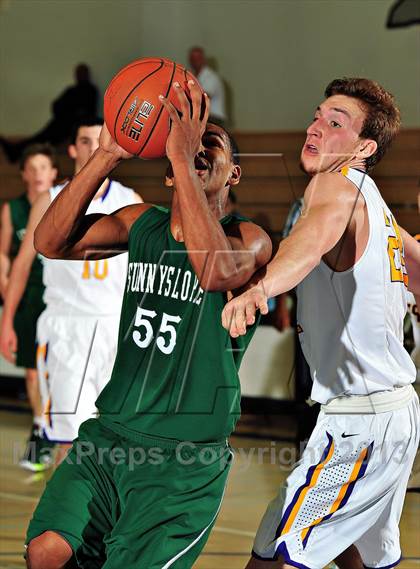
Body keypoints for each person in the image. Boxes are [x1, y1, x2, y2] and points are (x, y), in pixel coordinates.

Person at [24, 81, 271, 568]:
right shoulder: (141, 223)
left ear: (234, 174)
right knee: (46, 551)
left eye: (209, 144)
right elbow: (49, 243)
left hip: (183, 459)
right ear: (165, 176)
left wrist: (182, 157)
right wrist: (107, 156)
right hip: (112, 434)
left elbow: (213, 269)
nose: (197, 146)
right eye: (187, 142)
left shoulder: (250, 239)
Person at [222, 77, 420, 569]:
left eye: (336, 123)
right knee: (351, 553)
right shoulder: (376, 202)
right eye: (317, 116)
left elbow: (310, 242)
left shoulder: (332, 185)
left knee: (279, 556)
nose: (315, 127)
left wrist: (260, 289)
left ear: (364, 147)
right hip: (389, 416)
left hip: (363, 422)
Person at [1, 117, 141, 468]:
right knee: (69, 440)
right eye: (84, 141)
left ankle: (103, 517)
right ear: (72, 148)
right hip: (67, 327)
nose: (93, 147)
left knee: (113, 436)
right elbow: (20, 266)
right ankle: (66, 520)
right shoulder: (49, 199)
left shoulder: (131, 200)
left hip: (113, 327)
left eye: (99, 140)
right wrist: (7, 321)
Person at [0, 144, 58, 471]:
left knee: (56, 368)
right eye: (31, 168)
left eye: (43, 168)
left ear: (53, 174)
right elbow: (4, 254)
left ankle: (62, 429)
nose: (37, 174)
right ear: (23, 174)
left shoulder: (60, 202)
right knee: (33, 370)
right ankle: (40, 429)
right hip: (28, 294)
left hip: (57, 294)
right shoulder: (14, 209)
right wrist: (6, 286)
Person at [1, 63, 98, 162]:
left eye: (82, 73)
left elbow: (87, 113)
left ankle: (15, 151)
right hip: (60, 122)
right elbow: (56, 105)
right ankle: (15, 151)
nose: (79, 76)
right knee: (40, 137)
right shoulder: (71, 90)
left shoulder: (90, 90)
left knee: (42, 139)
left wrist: (69, 113)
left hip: (69, 126)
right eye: (78, 73)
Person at [189, 46, 227, 126]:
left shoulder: (211, 77)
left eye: (198, 58)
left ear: (203, 60)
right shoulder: (193, 76)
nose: (195, 61)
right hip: (204, 117)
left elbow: (203, 97)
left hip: (214, 118)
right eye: (192, 59)